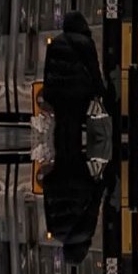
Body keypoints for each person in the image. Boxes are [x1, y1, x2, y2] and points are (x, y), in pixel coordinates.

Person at [42, 10, 106, 161]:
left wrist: (47, 90)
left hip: (58, 93)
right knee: (75, 124)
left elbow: (48, 69)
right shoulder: (86, 42)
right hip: (78, 93)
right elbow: (93, 69)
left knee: (60, 123)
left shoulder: (55, 42)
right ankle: (73, 158)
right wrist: (100, 90)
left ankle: (61, 157)